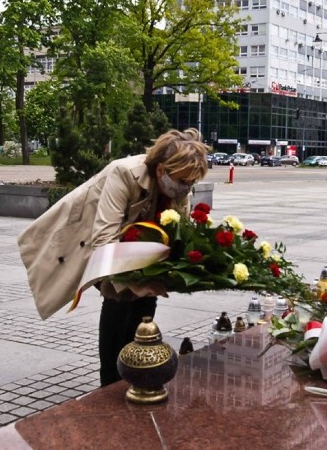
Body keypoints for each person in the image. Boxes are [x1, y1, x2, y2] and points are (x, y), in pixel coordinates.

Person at [18, 128, 209, 386]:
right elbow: (105, 239)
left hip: (137, 242)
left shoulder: (179, 186)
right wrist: (132, 283)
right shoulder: (123, 173)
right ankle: (110, 380)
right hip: (90, 237)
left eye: (191, 183)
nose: (186, 188)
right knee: (119, 298)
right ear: (162, 170)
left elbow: (179, 231)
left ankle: (137, 367)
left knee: (146, 302)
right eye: (183, 181)